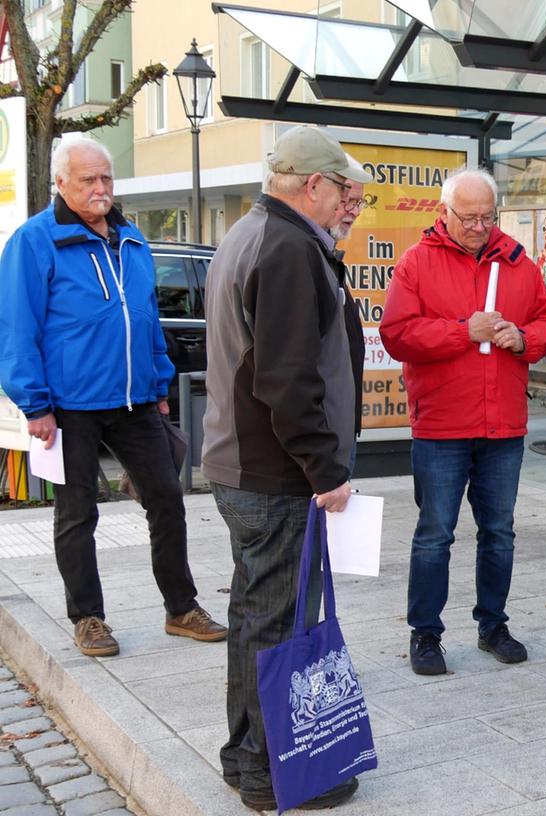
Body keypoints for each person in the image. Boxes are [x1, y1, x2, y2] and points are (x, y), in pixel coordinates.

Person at [0, 136, 225, 658]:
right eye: (87, 180)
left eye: (105, 178)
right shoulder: (35, 241)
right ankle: (88, 618)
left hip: (135, 402)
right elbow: (16, 330)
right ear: (61, 183)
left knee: (168, 501)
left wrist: (159, 382)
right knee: (78, 514)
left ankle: (181, 608)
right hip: (69, 406)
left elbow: (146, 318)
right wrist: (34, 404)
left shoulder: (131, 239)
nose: (100, 188)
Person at [201, 126, 370, 812]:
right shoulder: (291, 247)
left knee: (254, 617)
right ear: (312, 184)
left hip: (245, 465)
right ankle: (272, 775)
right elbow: (287, 380)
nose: (348, 205)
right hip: (274, 474)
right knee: (275, 625)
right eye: (342, 192)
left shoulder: (251, 231)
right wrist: (326, 470)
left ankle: (245, 757)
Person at [380, 168, 546, 676]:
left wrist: (524, 339)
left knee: (499, 532)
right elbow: (397, 333)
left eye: (487, 216)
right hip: (441, 425)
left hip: (502, 424)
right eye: (469, 217)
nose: (479, 225)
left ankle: (492, 625)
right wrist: (466, 331)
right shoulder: (418, 262)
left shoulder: (518, 262)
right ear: (445, 212)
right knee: (435, 533)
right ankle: (425, 634)